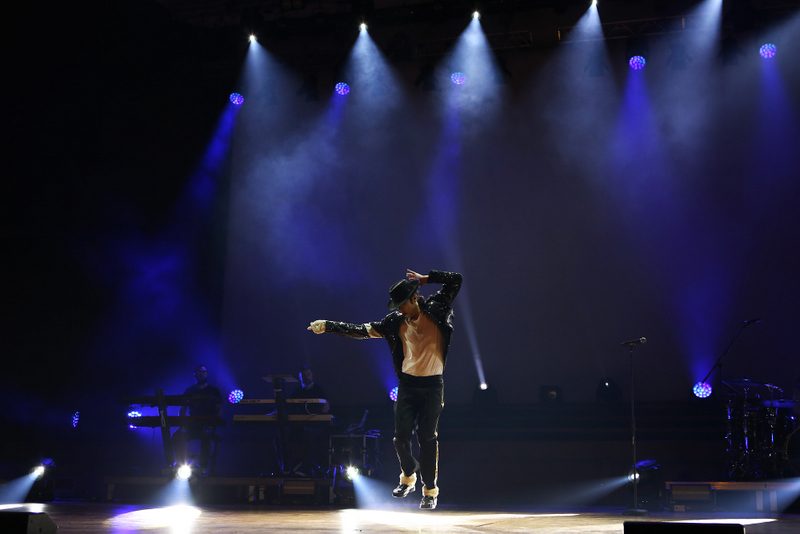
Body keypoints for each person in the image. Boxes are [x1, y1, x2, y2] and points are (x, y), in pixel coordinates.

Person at [308, 268, 462, 510]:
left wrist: (427, 278)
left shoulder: (438, 307)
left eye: (402, 304)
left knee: (427, 438)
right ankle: (408, 477)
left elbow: (456, 280)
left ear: (414, 298)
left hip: (433, 385)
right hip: (408, 385)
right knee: (401, 438)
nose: (399, 310)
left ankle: (430, 491)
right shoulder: (394, 322)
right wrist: (328, 325)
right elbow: (361, 330)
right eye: (396, 306)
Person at [171, 365, 223, 471]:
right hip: (192, 424)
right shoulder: (189, 390)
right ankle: (180, 463)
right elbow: (182, 409)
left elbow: (219, 409)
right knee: (176, 436)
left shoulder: (213, 390)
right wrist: (182, 424)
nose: (201, 374)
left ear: (207, 374)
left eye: (203, 372)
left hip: (207, 424)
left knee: (206, 436)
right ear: (194, 375)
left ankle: (202, 466)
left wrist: (213, 422)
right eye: (199, 372)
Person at [288, 365, 331, 477]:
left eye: (308, 375)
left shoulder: (319, 389)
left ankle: (307, 470)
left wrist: (318, 416)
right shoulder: (297, 392)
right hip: (301, 426)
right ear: (300, 377)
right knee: (279, 438)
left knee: (307, 435)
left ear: (311, 375)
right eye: (303, 375)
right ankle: (287, 469)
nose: (306, 377)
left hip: (317, 426)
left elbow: (326, 406)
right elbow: (287, 406)